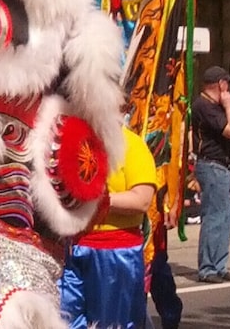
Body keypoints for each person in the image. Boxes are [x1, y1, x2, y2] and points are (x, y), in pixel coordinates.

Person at [60, 127, 156, 328]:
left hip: (115, 254)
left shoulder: (132, 144)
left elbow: (142, 200)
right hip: (71, 248)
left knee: (112, 323)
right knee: (64, 319)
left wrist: (101, 200)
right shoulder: (72, 140)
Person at [193, 65, 230, 283]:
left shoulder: (215, 106)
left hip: (223, 167)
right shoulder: (205, 105)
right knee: (214, 217)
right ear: (221, 84)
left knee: (226, 218)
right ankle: (208, 267)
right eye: (227, 83)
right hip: (212, 165)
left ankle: (219, 265)